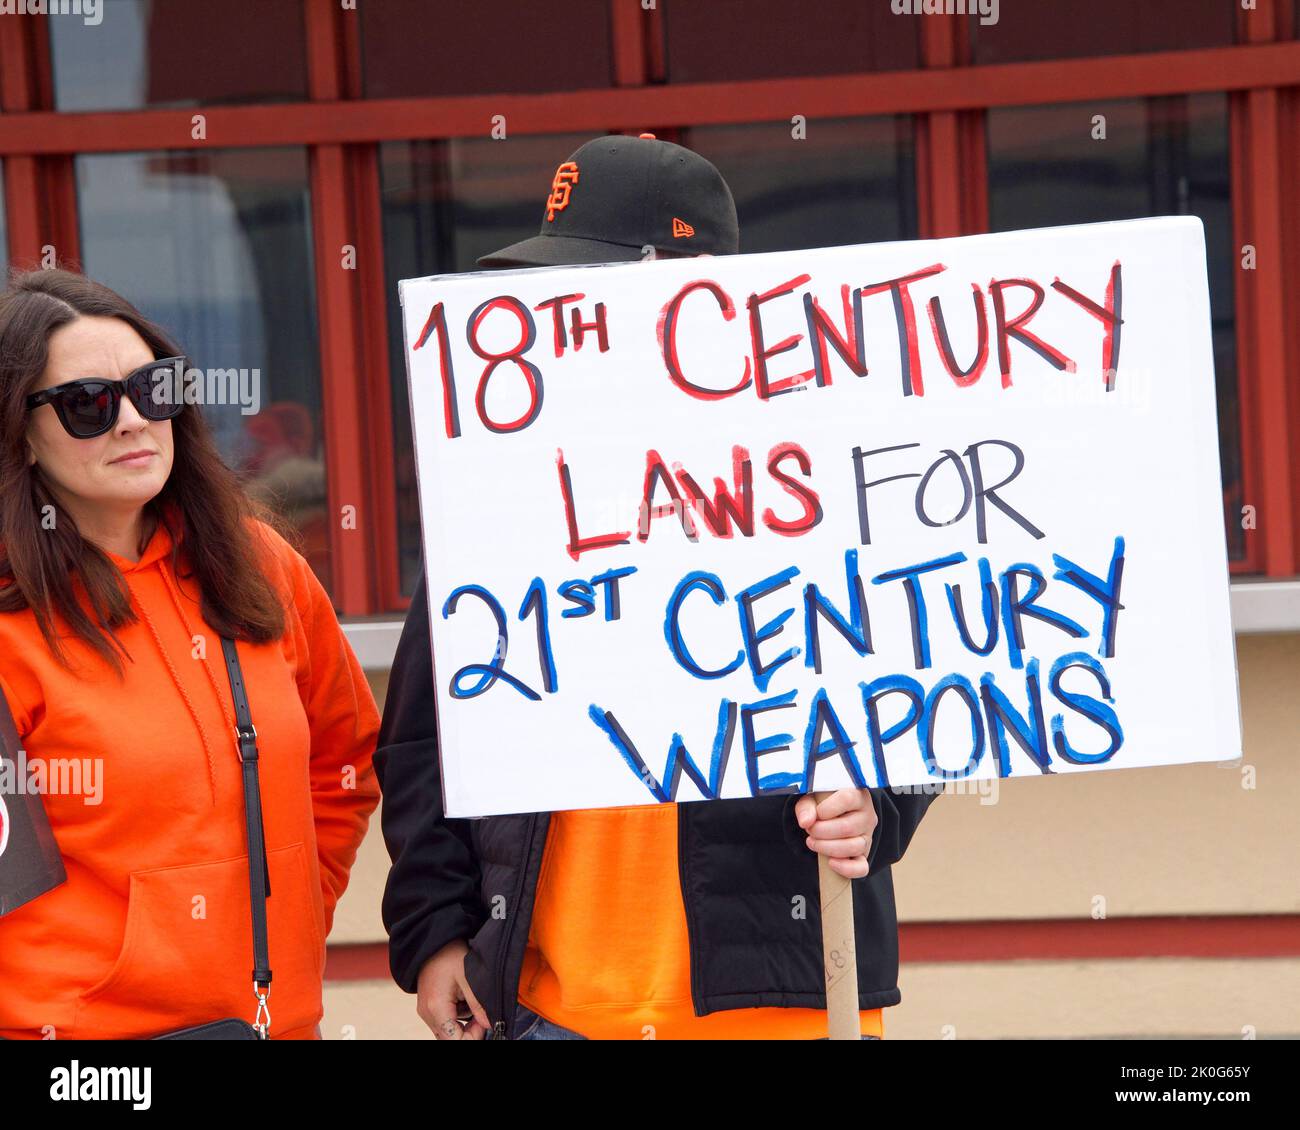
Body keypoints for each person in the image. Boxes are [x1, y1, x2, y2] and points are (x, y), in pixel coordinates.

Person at [376, 134, 939, 1040]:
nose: (560, 308)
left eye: (593, 280)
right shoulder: (503, 479)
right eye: (551, 283)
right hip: (552, 1004)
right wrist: (436, 932)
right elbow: (424, 740)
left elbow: (942, 675)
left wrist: (882, 803)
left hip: (782, 1000)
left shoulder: (823, 469)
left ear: (702, 283)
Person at [0, 268, 380, 1039]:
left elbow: (344, 766)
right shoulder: (11, 623)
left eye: (153, 387)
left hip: (273, 1024)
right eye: (87, 406)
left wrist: (286, 912)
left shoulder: (260, 565)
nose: (133, 421)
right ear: (21, 437)